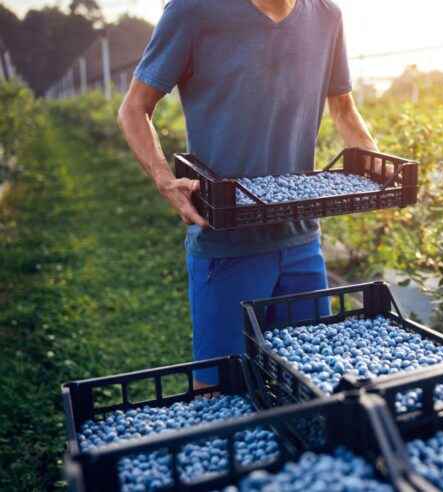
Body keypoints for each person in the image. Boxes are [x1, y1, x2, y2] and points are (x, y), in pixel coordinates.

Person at [117, 0, 377, 387]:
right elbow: (135, 107)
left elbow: (342, 107)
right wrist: (163, 177)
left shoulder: (327, 16)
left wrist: (376, 170)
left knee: (309, 383)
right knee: (221, 390)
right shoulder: (194, 11)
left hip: (301, 240)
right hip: (227, 242)